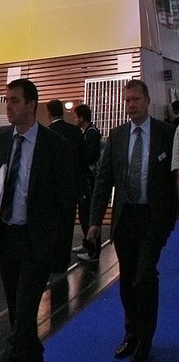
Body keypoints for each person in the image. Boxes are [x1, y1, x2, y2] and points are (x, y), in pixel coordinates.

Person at [0, 78, 78, 362]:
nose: (8, 106)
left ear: (31, 105)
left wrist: (56, 246)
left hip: (37, 242)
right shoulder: (2, 138)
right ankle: (32, 358)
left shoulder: (54, 146)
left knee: (24, 311)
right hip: (8, 237)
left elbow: (66, 200)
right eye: (7, 100)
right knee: (16, 309)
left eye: (15, 101)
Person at [87, 79, 177, 362]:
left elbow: (174, 181)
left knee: (144, 276)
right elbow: (104, 180)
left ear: (148, 101)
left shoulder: (167, 134)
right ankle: (131, 334)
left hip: (153, 218)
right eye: (127, 100)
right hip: (125, 219)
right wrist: (94, 221)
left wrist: (171, 218)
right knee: (127, 279)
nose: (130, 105)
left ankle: (145, 339)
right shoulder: (117, 136)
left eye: (136, 99)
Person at [73, 103, 102, 258]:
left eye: (75, 116)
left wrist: (79, 160)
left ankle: (93, 251)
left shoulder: (91, 133)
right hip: (85, 177)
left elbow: (91, 155)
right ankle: (87, 242)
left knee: (88, 213)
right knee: (84, 213)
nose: (74, 119)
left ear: (81, 117)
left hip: (89, 178)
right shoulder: (86, 132)